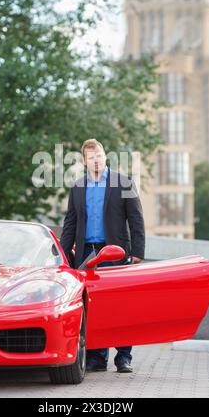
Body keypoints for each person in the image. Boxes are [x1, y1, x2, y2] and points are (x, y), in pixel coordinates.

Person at [60, 138, 145, 373]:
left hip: (115, 252)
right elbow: (70, 223)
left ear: (105, 156)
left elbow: (136, 219)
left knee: (121, 306)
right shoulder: (78, 187)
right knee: (92, 306)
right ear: (85, 161)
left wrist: (137, 252)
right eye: (91, 157)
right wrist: (63, 254)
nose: (96, 160)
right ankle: (97, 358)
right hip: (87, 254)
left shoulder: (123, 183)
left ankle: (123, 357)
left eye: (99, 155)